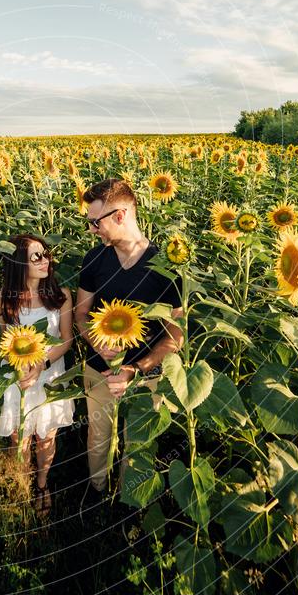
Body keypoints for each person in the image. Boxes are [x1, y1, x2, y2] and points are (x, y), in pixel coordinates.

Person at [74, 178, 184, 499]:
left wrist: (135, 369)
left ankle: (130, 503)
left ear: (120, 216)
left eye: (96, 222)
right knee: (98, 436)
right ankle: (98, 494)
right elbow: (81, 316)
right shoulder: (94, 260)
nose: (92, 230)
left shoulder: (165, 266)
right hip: (99, 369)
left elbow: (175, 335)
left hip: (147, 376)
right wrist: (97, 344)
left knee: (140, 441)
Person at [0, 233, 74, 516]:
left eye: (46, 254)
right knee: (19, 436)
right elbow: (5, 343)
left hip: (49, 376)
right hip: (18, 378)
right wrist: (19, 368)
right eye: (36, 257)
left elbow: (66, 340)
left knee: (47, 436)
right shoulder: (4, 298)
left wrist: (41, 363)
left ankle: (42, 484)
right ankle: (22, 484)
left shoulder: (60, 296)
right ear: (18, 264)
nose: (45, 260)